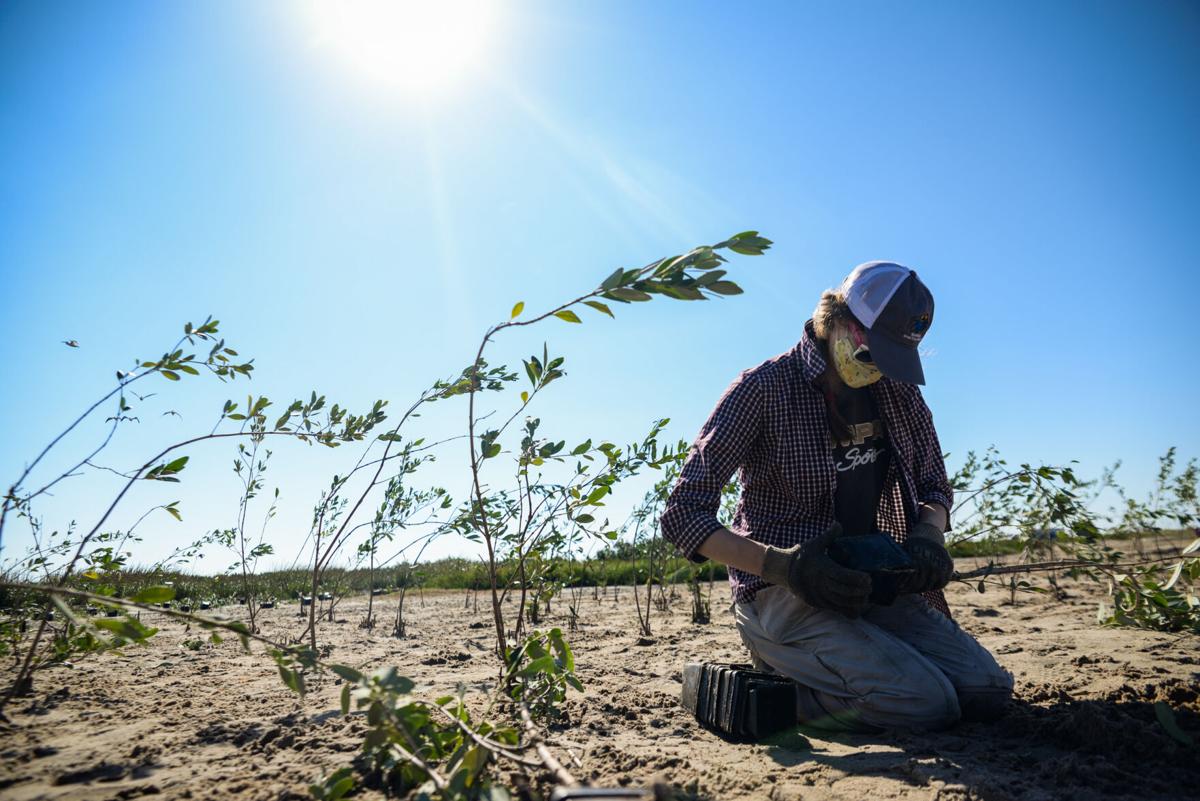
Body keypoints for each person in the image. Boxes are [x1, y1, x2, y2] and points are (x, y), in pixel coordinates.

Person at [660, 261, 1013, 732]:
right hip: (779, 593)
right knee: (924, 704)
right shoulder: (763, 389)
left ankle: (843, 667)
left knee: (988, 691)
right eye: (875, 353)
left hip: (866, 585)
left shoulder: (900, 394)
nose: (880, 371)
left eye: (894, 359)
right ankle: (764, 693)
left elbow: (935, 488)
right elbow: (684, 512)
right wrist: (782, 566)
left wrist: (929, 536)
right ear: (839, 322)